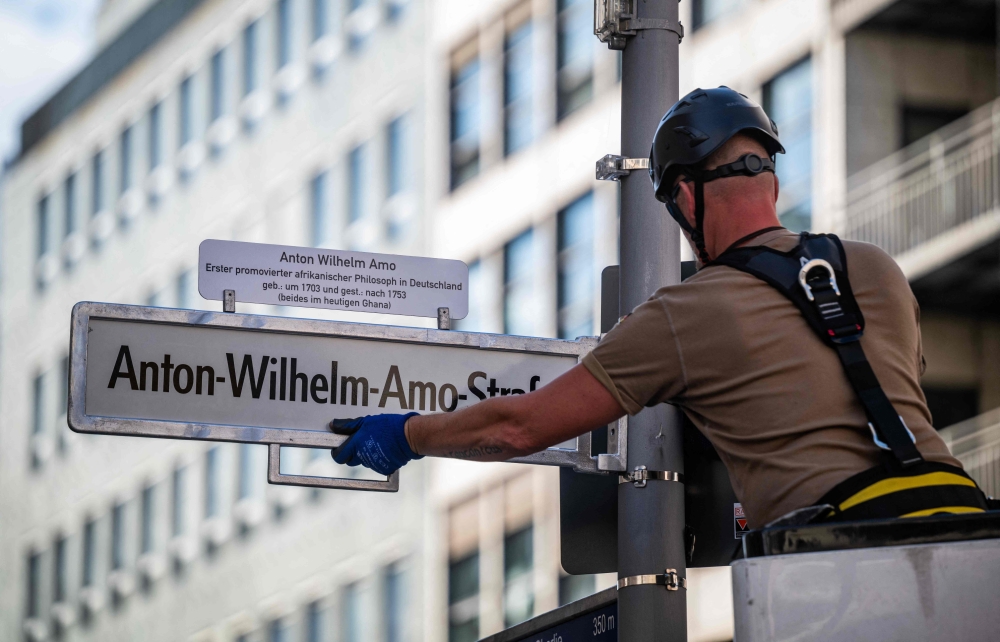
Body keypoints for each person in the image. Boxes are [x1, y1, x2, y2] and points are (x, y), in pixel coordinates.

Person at [331, 87, 989, 529]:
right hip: (963, 522)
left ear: (684, 195)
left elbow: (517, 427)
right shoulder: (876, 268)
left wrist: (408, 434)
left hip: (839, 561)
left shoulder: (685, 313)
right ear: (772, 178)